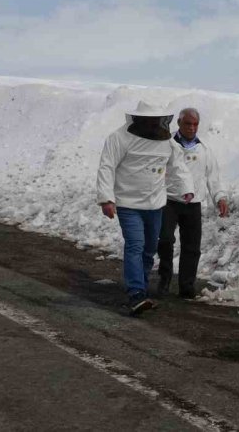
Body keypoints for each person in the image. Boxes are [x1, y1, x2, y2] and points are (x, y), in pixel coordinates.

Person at [96, 101, 194, 316]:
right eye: (149, 120)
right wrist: (106, 199)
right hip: (128, 204)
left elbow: (177, 165)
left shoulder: (167, 142)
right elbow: (106, 166)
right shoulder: (119, 138)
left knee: (149, 248)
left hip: (155, 204)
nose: (153, 124)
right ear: (139, 119)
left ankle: (140, 286)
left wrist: (187, 188)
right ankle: (136, 294)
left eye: (156, 120)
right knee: (135, 245)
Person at [157, 107, 228, 298]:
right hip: (169, 201)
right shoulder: (166, 144)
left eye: (195, 124)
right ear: (179, 123)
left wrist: (219, 197)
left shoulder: (204, 149)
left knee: (191, 247)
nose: (192, 127)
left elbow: (213, 177)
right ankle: (164, 279)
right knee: (164, 240)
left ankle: (187, 287)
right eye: (188, 123)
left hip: (194, 203)